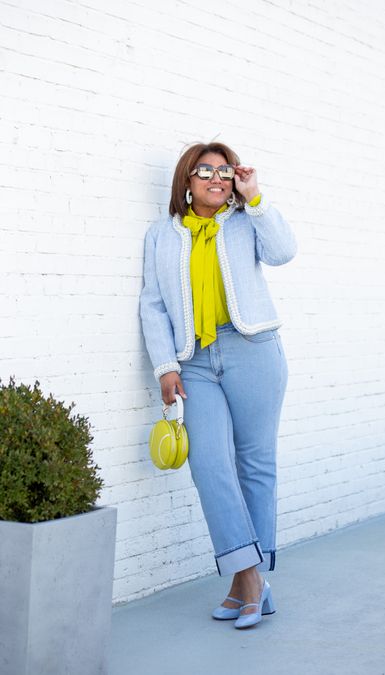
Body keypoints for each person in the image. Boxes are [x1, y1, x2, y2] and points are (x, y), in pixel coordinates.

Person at [139, 141, 297, 629]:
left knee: (255, 464)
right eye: (203, 170)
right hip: (197, 363)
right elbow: (153, 304)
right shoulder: (160, 235)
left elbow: (284, 251)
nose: (215, 177)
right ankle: (252, 580)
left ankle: (241, 584)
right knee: (209, 465)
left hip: (253, 351)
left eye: (224, 172)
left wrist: (256, 197)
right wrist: (166, 366)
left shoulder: (247, 220)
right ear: (186, 181)